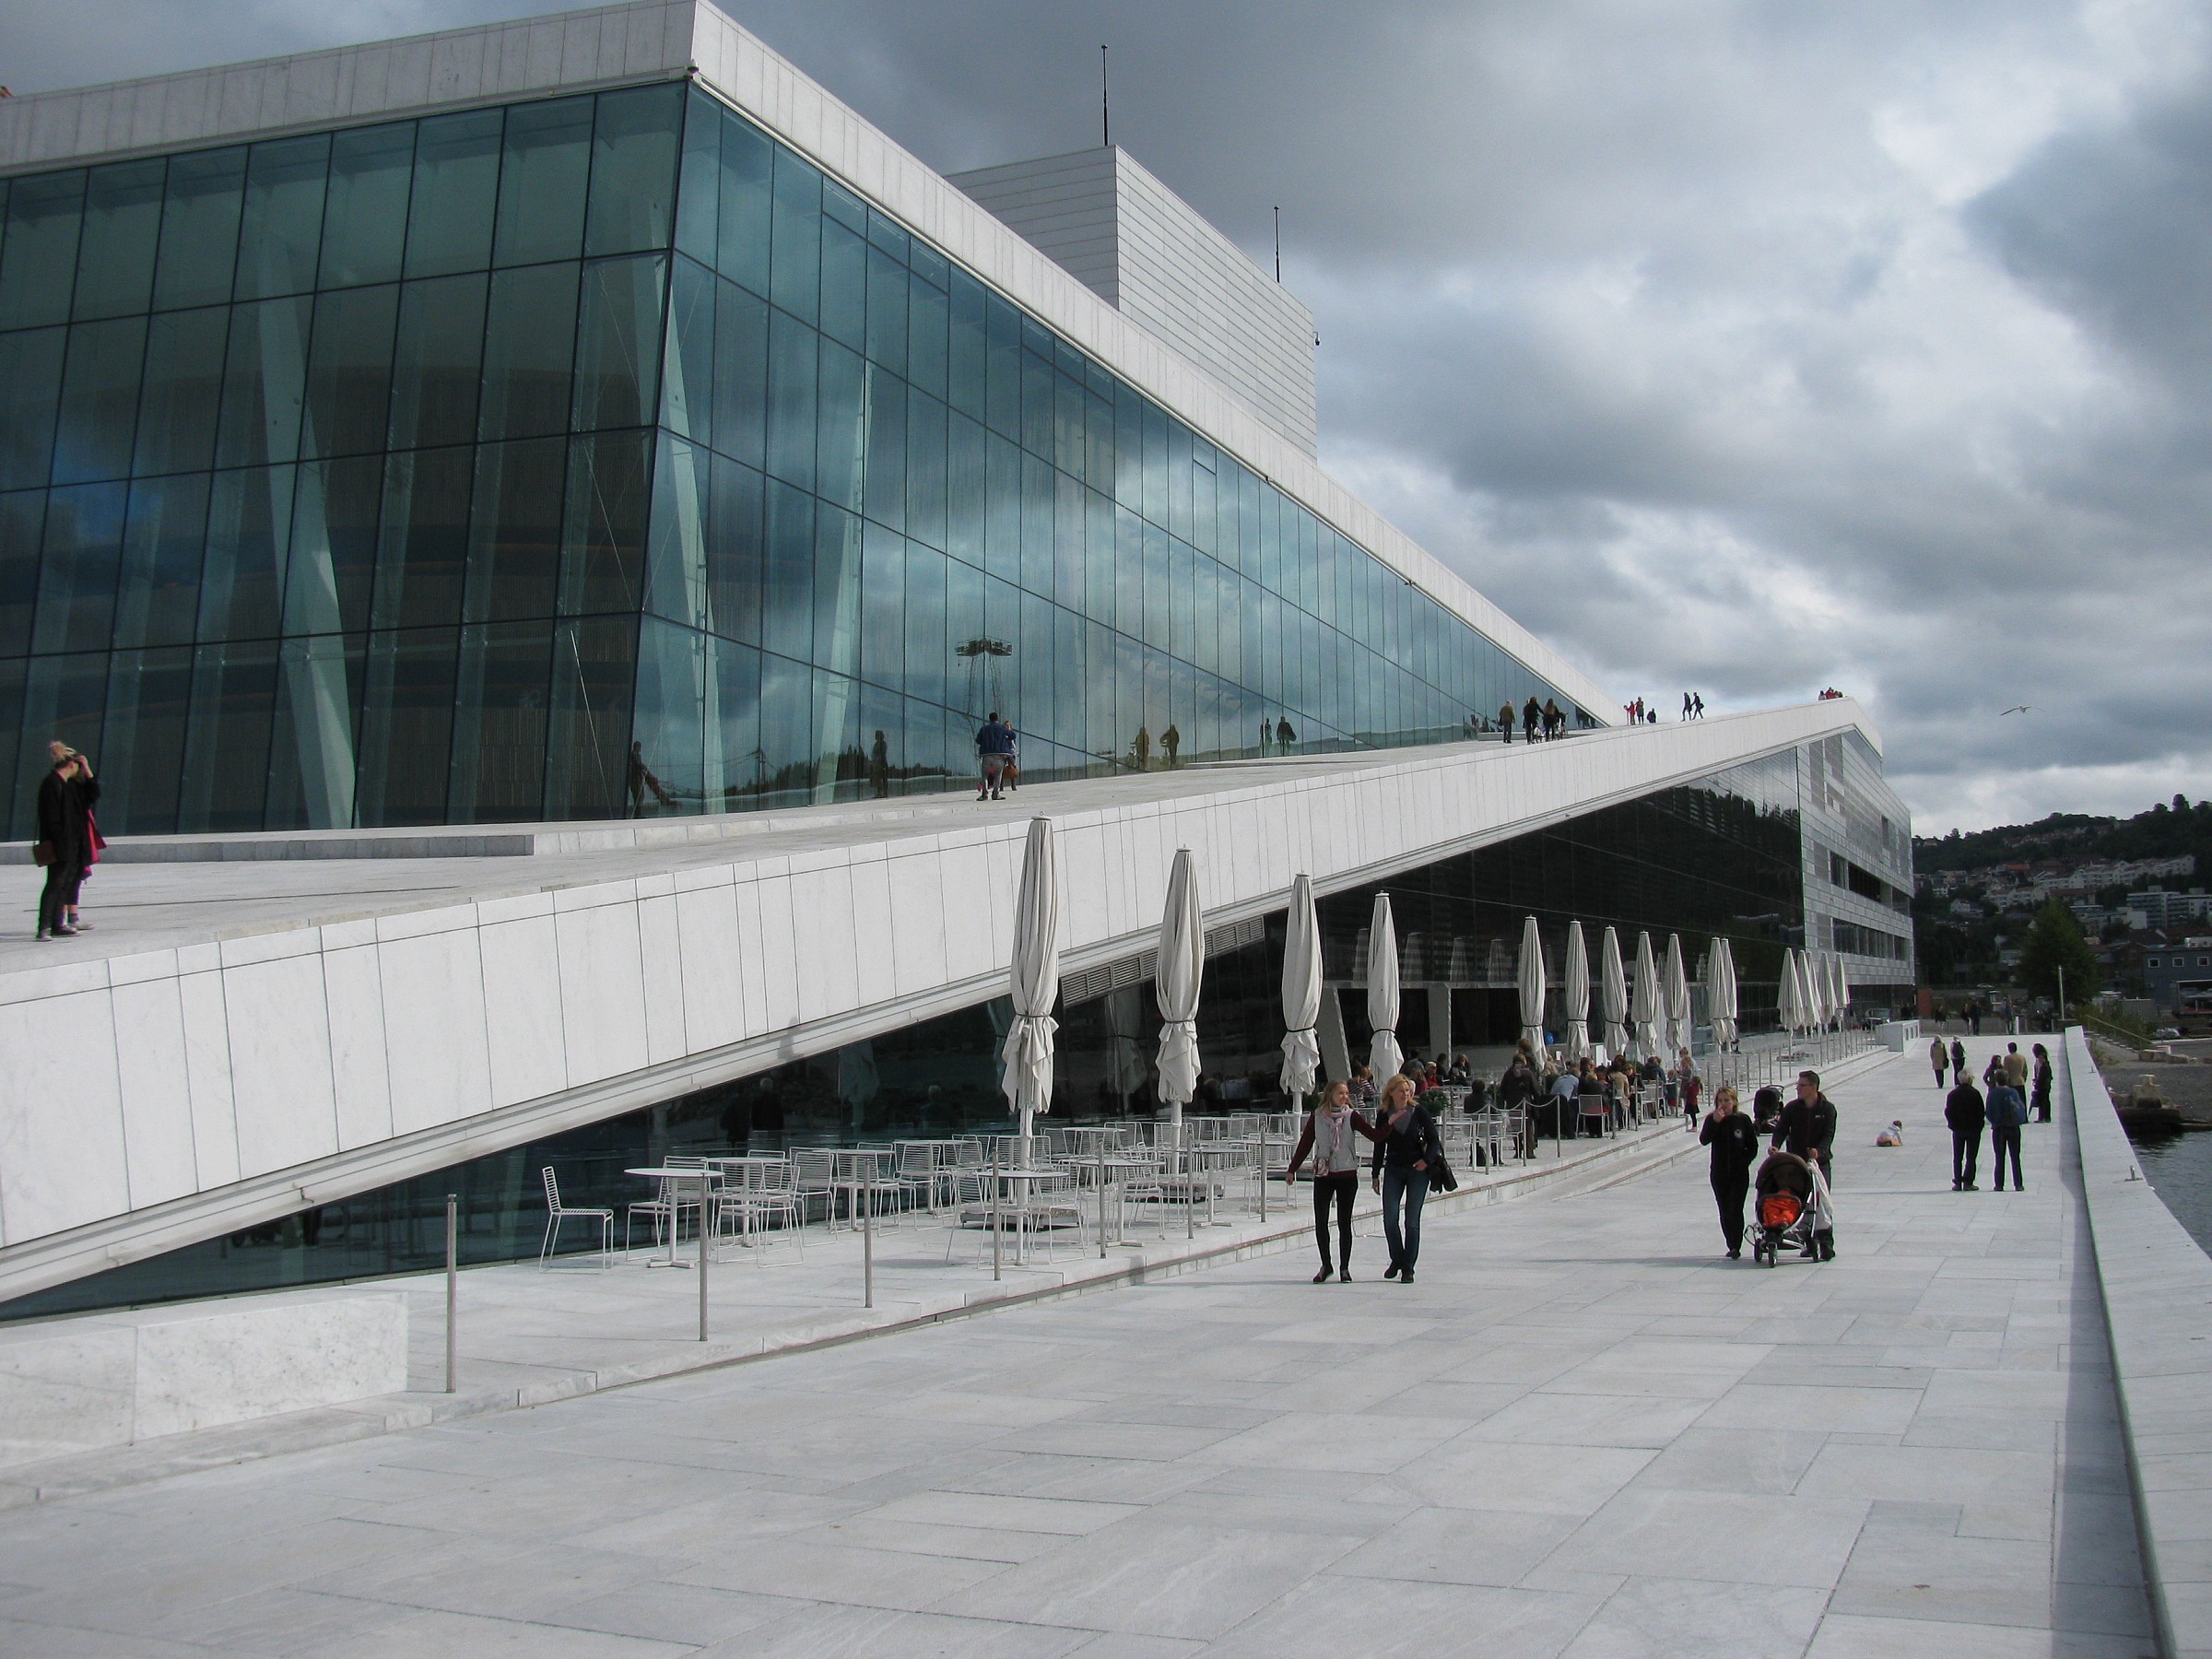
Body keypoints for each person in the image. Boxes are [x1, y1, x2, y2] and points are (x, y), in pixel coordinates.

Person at [1284, 1079, 1380, 1282]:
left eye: (1346, 1094)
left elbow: (1373, 1135)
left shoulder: (1351, 1116)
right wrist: (1292, 1169)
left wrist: (1391, 1122)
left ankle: (1345, 1267)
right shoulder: (1317, 1116)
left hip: (1346, 1173)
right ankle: (1326, 1265)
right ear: (1330, 1095)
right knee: (1321, 1221)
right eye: (1341, 1093)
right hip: (1324, 1174)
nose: (1345, 1097)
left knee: (1345, 1222)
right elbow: (1305, 1143)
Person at [1369, 1073, 1442, 1283]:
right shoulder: (1384, 1114)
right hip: (1394, 1169)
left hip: (1417, 1170)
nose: (1405, 1094)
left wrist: (1426, 1161)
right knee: (1390, 1218)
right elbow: (1379, 1143)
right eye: (1400, 1091)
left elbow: (1434, 1139)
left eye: (1407, 1091)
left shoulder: (1418, 1112)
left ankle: (1408, 1266)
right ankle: (1397, 1257)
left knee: (1411, 1221)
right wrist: (1375, 1173)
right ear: (1390, 1092)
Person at [34, 744, 100, 942]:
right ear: (71, 764)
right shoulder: (52, 783)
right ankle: (44, 926)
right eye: (78, 766)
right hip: (61, 844)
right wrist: (61, 844)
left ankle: (58, 924)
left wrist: (87, 770)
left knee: (66, 883)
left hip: (74, 845)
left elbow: (93, 795)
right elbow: (51, 818)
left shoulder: (70, 786)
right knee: (55, 884)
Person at [1771, 1069, 1837, 1258]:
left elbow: (1828, 1135)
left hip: (1819, 1163)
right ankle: (1808, 1242)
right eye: (1798, 1085)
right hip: (1797, 1163)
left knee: (1821, 1203)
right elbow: (1781, 1129)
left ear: (1813, 1087)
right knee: (1801, 1202)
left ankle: (1826, 1244)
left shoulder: (1827, 1109)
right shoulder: (1792, 1108)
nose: (1798, 1089)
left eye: (1801, 1085)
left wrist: (1819, 1151)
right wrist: (1775, 1146)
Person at [1700, 1084, 1761, 1258]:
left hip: (1738, 1174)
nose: (1723, 1104)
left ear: (1734, 1102)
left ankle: (1736, 1244)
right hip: (1719, 1173)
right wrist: (1715, 1123)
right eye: (1720, 1101)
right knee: (1724, 1209)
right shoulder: (1712, 1120)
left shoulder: (1742, 1120)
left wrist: (1743, 1162)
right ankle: (1731, 1243)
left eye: (1727, 1100)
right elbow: (1704, 1139)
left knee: (1735, 1208)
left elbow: (1752, 1146)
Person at [1987, 1070, 2028, 1192]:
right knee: (2015, 1157)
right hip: (2013, 1127)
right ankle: (2018, 1184)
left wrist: (1995, 1121)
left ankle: (1999, 1184)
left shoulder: (1993, 1094)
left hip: (1999, 1129)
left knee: (1999, 1157)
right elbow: (2020, 1107)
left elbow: (1988, 1112)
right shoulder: (2013, 1092)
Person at [1946, 1070, 1986, 1190]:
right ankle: (1968, 1182)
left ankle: (1957, 1182)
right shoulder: (1975, 1093)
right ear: (1969, 1080)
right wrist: (1980, 1125)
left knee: (1958, 1157)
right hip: (1973, 1130)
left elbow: (1948, 1111)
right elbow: (1981, 1112)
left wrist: (1952, 1125)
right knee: (1971, 1157)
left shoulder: (1952, 1095)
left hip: (1958, 1130)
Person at [976, 711, 1014, 799]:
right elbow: (1013, 735)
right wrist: (1005, 741)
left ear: (989, 719)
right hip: (999, 755)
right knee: (998, 775)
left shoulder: (984, 729)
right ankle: (995, 794)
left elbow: (978, 740)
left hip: (986, 754)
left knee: (984, 775)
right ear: (997, 719)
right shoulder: (1002, 728)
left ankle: (984, 794)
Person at [2030, 1042, 2053, 1124]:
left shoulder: (2042, 1063)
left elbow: (2041, 1073)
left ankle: (2042, 1117)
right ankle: (2046, 1117)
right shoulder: (2043, 1061)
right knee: (2045, 1100)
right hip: (2044, 1084)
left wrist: (2037, 1081)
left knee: (2042, 1101)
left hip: (2043, 1085)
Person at [868, 729, 891, 799]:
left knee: (883, 779)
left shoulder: (883, 744)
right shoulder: (876, 744)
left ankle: (884, 793)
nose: (876, 736)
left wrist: (883, 765)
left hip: (881, 764)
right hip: (877, 764)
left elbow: (882, 754)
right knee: (878, 779)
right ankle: (879, 793)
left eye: (877, 735)